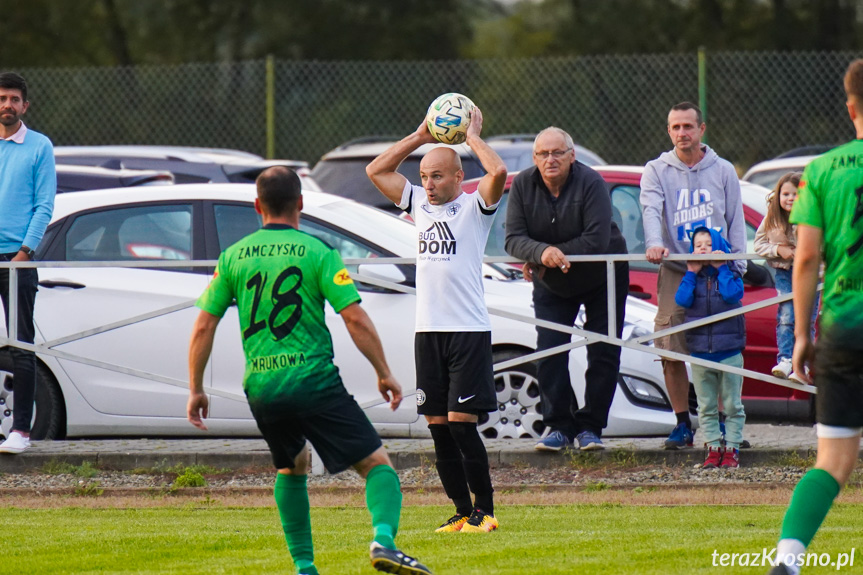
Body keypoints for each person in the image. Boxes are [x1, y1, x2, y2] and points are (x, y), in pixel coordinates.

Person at [187, 167, 431, 575]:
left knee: (291, 466)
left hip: (262, 385)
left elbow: (203, 324)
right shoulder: (318, 252)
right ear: (300, 203)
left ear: (256, 207)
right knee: (376, 465)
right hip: (313, 379)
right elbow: (355, 318)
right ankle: (384, 542)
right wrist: (384, 371)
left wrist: (195, 387)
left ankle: (305, 568)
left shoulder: (232, 257)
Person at [366, 106, 507, 534]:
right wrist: (419, 137)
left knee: (463, 426)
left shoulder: (474, 208)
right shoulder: (417, 204)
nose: (428, 183)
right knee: (439, 429)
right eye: (424, 176)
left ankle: (486, 509)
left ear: (457, 178)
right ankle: (461, 511)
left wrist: (472, 138)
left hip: (467, 332)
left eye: (438, 176)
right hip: (428, 332)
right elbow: (376, 170)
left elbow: (498, 172)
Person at [765, 59, 863, 575]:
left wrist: (801, 334)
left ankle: (788, 560)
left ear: (850, 110)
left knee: (833, 461)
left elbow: (803, 258)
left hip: (844, 325)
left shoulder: (823, 170)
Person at [505, 127, 629, 452]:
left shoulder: (592, 183)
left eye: (557, 152)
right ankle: (558, 426)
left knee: (603, 349)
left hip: (603, 272)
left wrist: (548, 253)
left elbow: (597, 240)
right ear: (534, 159)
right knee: (550, 350)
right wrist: (539, 253)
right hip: (552, 279)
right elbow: (512, 239)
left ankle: (591, 428)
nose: (550, 159)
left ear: (571, 155)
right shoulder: (521, 184)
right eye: (543, 154)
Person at [641, 102, 747, 450]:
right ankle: (682, 423)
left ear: (702, 129)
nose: (682, 133)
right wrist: (655, 244)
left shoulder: (723, 170)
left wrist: (737, 264)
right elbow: (651, 208)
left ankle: (723, 430)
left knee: (719, 346)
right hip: (677, 270)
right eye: (675, 127)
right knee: (671, 346)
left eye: (688, 126)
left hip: (718, 270)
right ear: (668, 131)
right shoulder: (657, 170)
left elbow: (735, 219)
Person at [0, 72, 56, 455]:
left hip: (16, 260)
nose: (7, 105)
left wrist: (24, 253)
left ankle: (20, 430)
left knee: (21, 346)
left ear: (25, 105)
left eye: (14, 99)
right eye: (2, 98)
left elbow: (44, 205)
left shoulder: (39, 146)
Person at [674, 227, 746, 469]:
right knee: (705, 406)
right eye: (697, 245)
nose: (702, 249)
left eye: (708, 244)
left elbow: (732, 295)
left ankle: (733, 447)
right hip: (700, 352)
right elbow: (682, 300)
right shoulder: (692, 278)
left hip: (729, 351)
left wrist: (722, 267)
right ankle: (713, 447)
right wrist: (691, 274)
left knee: (733, 404)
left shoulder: (730, 274)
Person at [753, 172, 818, 382]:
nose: (790, 198)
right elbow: (759, 244)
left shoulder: (813, 217)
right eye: (786, 194)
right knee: (787, 315)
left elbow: (822, 248)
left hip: (811, 275)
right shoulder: (772, 218)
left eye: (796, 194)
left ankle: (803, 366)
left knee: (806, 319)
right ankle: (786, 359)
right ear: (778, 195)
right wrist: (778, 249)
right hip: (784, 272)